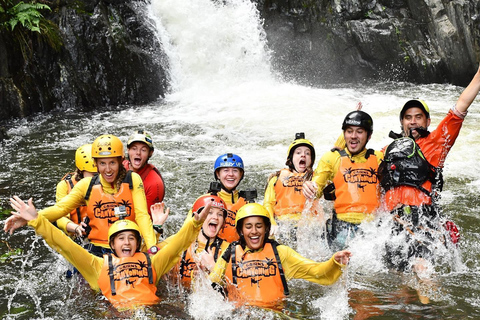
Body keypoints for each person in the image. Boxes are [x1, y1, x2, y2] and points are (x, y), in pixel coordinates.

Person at [8, 195, 212, 310]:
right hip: (116, 314)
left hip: (152, 312)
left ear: (138, 243)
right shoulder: (97, 265)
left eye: (132, 238)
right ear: (112, 245)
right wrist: (36, 220)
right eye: (121, 239)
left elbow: (178, 244)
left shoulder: (152, 262)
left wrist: (195, 223)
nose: (127, 242)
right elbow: (65, 245)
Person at [380, 65, 480, 273]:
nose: (413, 121)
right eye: (408, 117)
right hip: (392, 222)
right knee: (399, 284)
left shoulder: (437, 143)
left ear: (427, 121)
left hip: (422, 219)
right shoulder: (387, 151)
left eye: (418, 117)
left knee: (421, 269)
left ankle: (433, 306)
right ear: (402, 122)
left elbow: (461, 107)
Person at [4, 134, 158, 256]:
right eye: (102, 163)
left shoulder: (133, 179)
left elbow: (141, 215)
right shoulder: (86, 185)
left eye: (112, 163)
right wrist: (27, 218)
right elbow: (60, 209)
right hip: (97, 251)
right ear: (96, 164)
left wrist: (151, 248)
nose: (108, 169)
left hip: (127, 249)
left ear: (120, 161)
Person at [209, 203, 351, 310]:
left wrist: (334, 262)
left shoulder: (281, 253)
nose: (254, 231)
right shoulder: (229, 253)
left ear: (266, 229)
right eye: (248, 226)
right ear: (240, 230)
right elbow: (210, 288)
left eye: (259, 226)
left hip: (276, 313)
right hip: (239, 314)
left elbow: (317, 272)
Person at [303, 111, 383, 250]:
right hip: (341, 227)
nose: (353, 136)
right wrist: (309, 187)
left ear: (369, 136)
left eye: (359, 132)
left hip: (372, 228)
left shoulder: (379, 158)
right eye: (349, 131)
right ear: (344, 134)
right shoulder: (331, 158)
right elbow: (316, 189)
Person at [160, 194, 230, 289]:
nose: (215, 217)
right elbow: (148, 257)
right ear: (198, 217)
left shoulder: (227, 249)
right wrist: (156, 227)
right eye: (209, 212)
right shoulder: (178, 240)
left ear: (223, 223)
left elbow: (234, 288)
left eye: (220, 214)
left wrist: (214, 267)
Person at [55, 144, 97, 236]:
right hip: (77, 233)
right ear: (81, 171)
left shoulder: (107, 183)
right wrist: (76, 228)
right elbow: (60, 217)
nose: (98, 179)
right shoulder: (65, 186)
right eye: (94, 175)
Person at [123, 130, 165, 217]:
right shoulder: (120, 167)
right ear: (128, 150)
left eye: (143, 150)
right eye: (134, 149)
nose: (138, 153)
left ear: (150, 153)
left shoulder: (154, 183)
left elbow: (147, 218)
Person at [213, 153, 247, 243]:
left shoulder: (248, 203)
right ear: (218, 174)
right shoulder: (207, 200)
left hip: (239, 250)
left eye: (235, 170)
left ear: (241, 175)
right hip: (214, 250)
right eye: (226, 170)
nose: (231, 174)